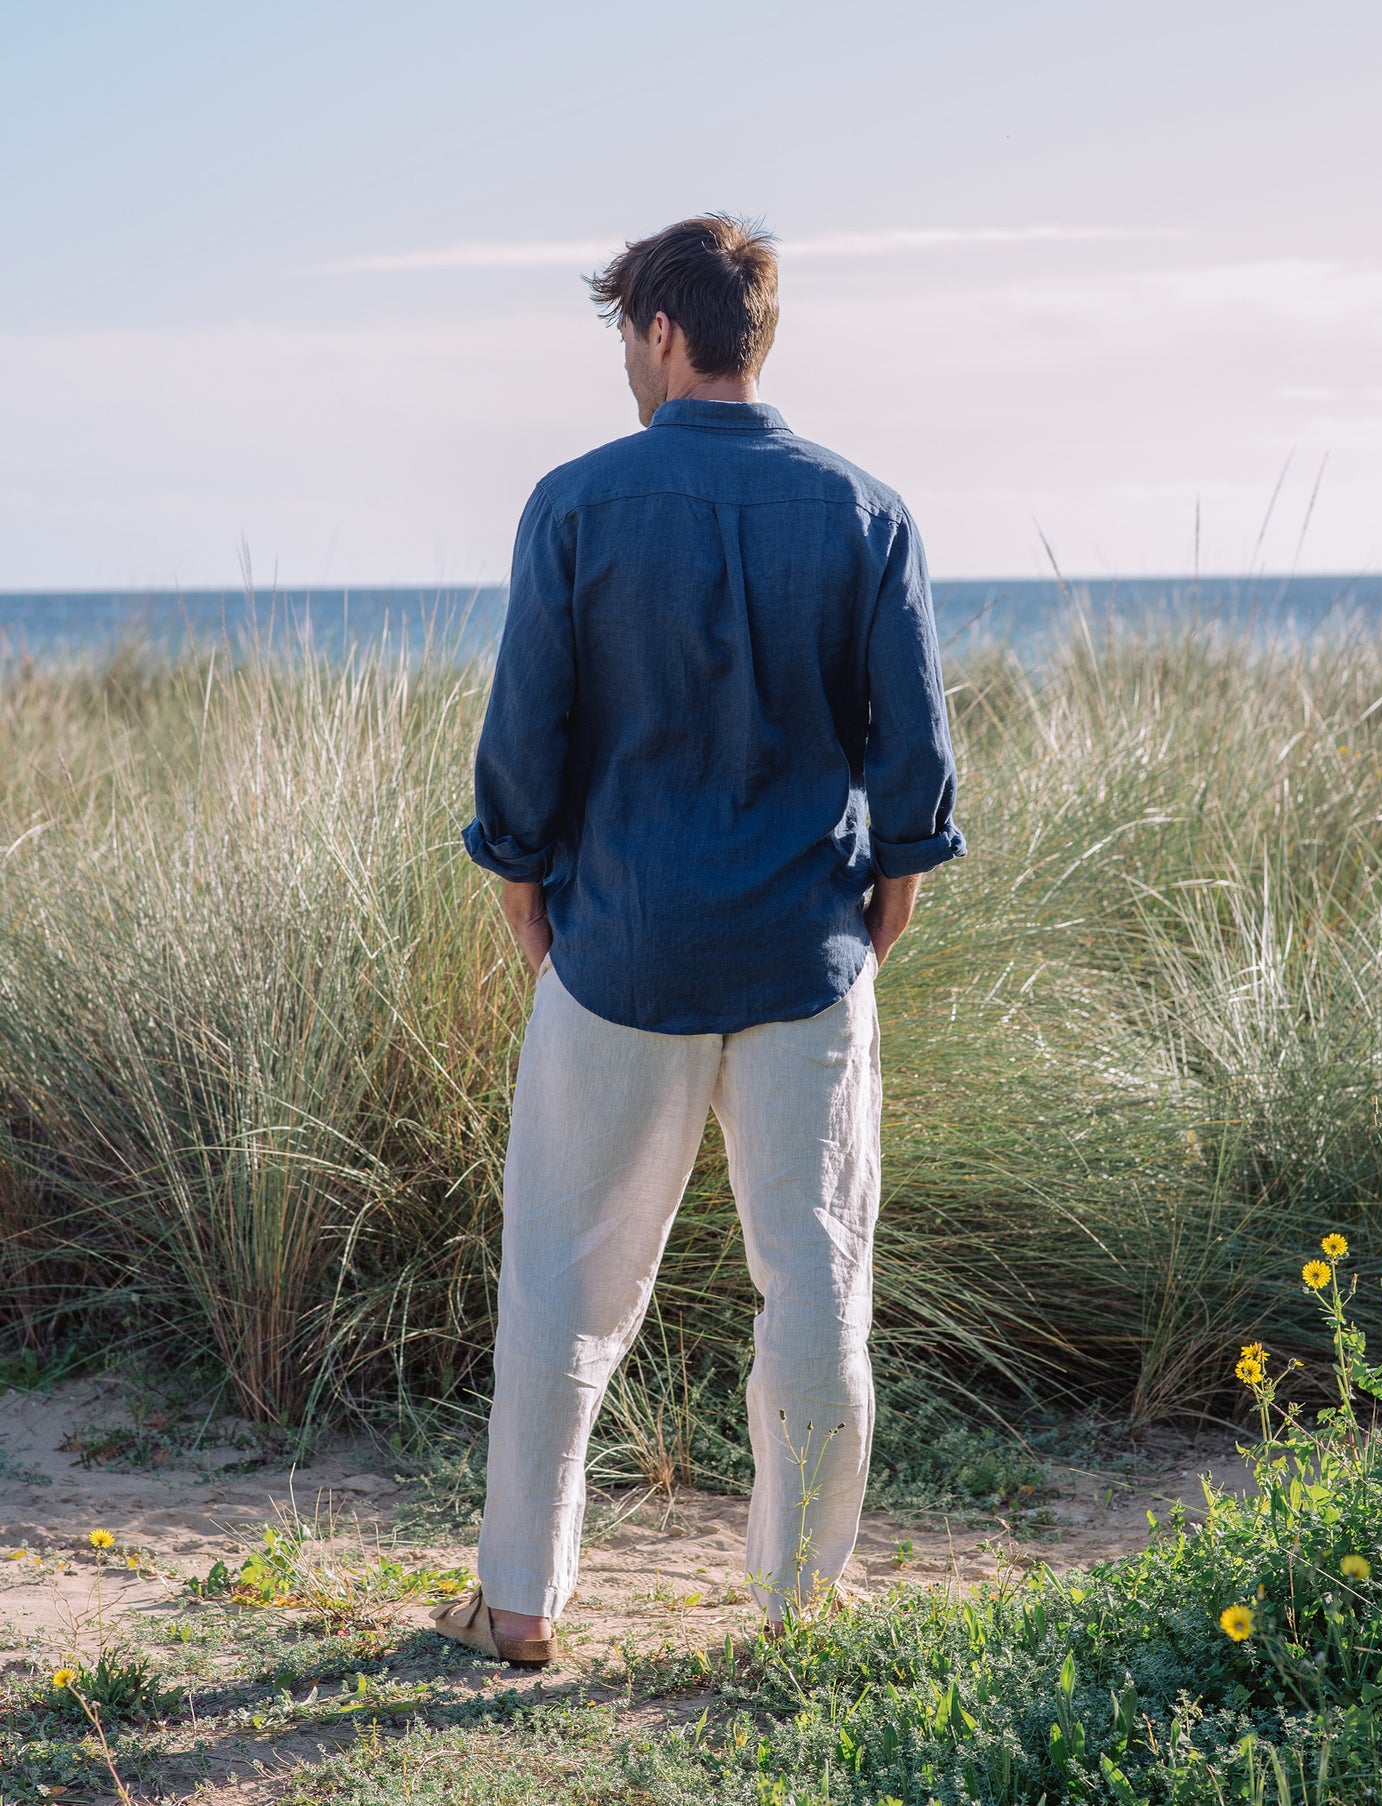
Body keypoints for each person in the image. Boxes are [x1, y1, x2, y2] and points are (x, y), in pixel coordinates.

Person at [434, 214, 964, 1667]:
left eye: (625, 332)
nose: (625, 358)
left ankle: (524, 1599)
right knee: (813, 1275)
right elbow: (911, 758)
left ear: (663, 331)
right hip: (804, 953)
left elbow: (524, 732)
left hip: (618, 950)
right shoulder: (866, 508)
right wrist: (880, 904)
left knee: (561, 1276)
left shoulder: (577, 501)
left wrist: (523, 882)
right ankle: (800, 1595)